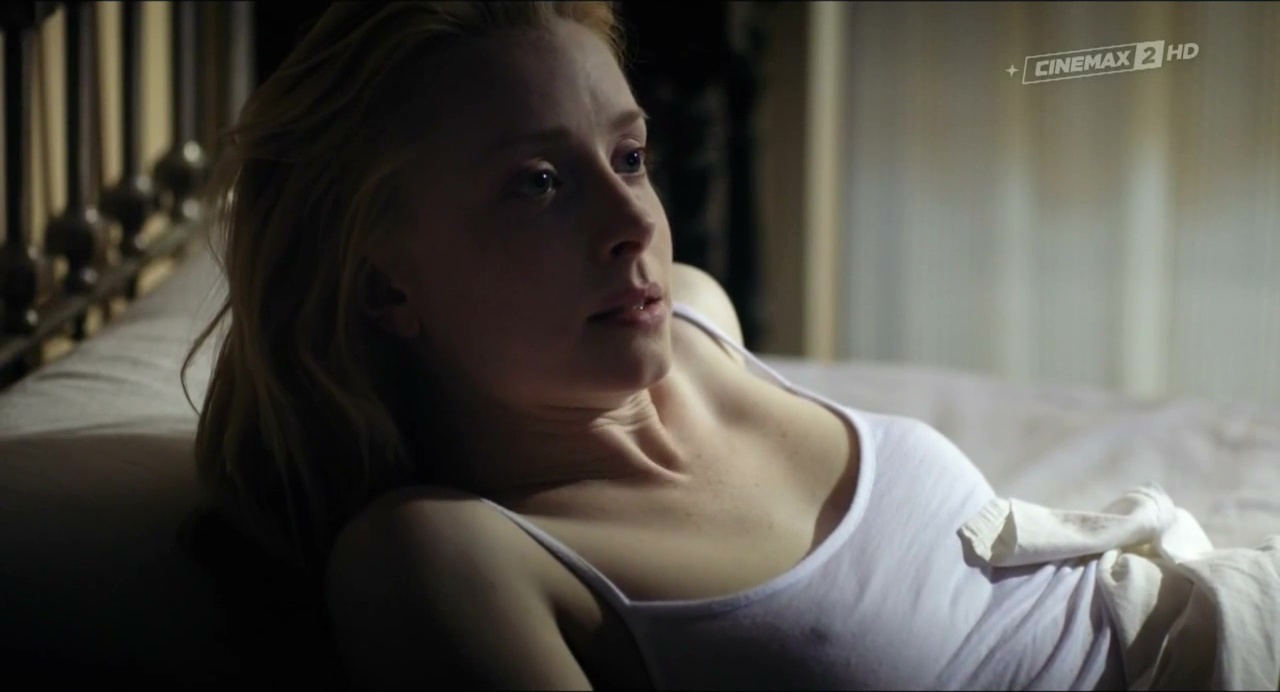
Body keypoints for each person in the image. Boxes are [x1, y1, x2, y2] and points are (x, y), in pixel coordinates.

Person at [183, 3, 1274, 690]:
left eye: (629, 157)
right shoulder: (441, 557)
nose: (633, 221)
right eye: (539, 184)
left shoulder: (697, 317)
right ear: (383, 282)